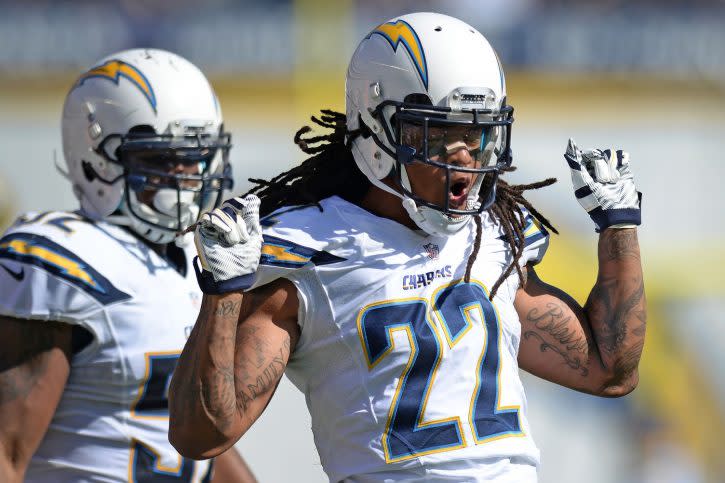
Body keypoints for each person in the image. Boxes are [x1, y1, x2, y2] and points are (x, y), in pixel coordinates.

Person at [169, 12, 646, 482]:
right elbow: (201, 436)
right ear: (378, 132)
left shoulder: (491, 237)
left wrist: (619, 227)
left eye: (477, 134)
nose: (465, 160)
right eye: (439, 135)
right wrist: (223, 293)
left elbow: (609, 372)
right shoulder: (311, 251)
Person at [0, 49, 257, 483]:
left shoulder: (197, 263)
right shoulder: (57, 261)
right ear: (95, 160)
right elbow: (6, 452)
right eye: (158, 159)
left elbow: (190, 445)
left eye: (195, 158)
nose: (184, 175)